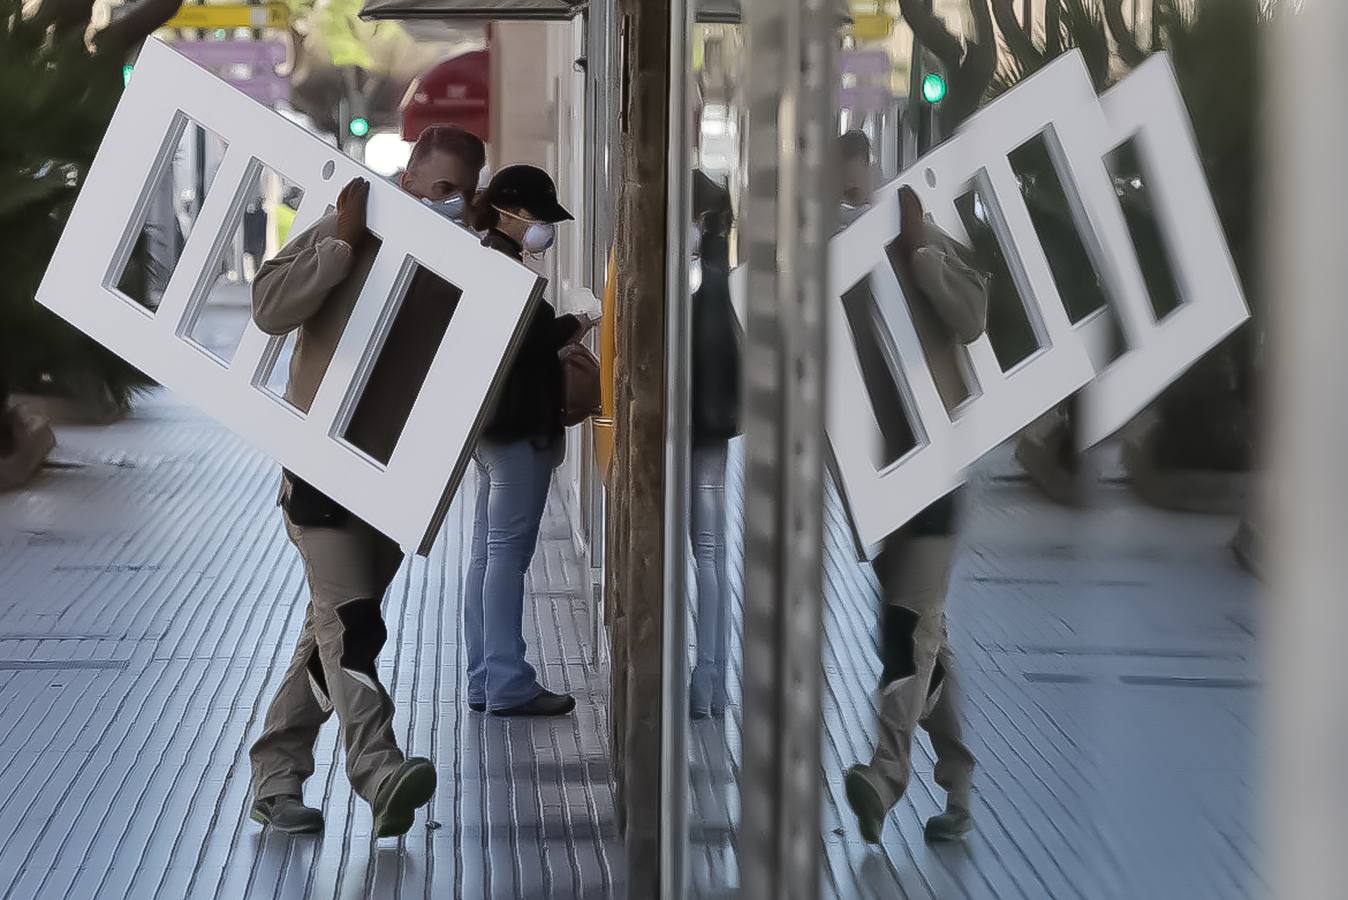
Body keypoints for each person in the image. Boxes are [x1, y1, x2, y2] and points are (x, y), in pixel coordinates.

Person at [245, 124, 487, 837]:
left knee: (328, 634)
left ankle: (275, 777)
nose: (448, 203)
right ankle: (379, 775)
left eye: (462, 194)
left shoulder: (459, 264)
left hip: (394, 483)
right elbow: (269, 307)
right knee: (353, 627)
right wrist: (341, 245)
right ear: (409, 179)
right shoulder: (349, 228)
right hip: (321, 475)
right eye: (439, 187)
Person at [843, 184, 984, 845]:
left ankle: (883, 776)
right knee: (923, 638)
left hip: (935, 474)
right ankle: (958, 788)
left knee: (908, 632)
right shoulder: (844, 263)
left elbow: (974, 318)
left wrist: (920, 247)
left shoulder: (930, 244)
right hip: (879, 484)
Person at [463, 164, 594, 717]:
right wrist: (577, 327)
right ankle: (508, 681)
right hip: (518, 432)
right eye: (538, 218)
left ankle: (484, 678)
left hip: (489, 431)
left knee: (486, 557)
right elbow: (529, 343)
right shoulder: (502, 268)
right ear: (508, 210)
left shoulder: (483, 257)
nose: (544, 229)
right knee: (506, 558)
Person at [688, 170, 741, 719]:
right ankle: (712, 680)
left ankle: (707, 680)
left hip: (688, 426)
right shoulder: (728, 282)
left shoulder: (693, 282)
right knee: (711, 553)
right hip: (716, 429)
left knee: (705, 554)